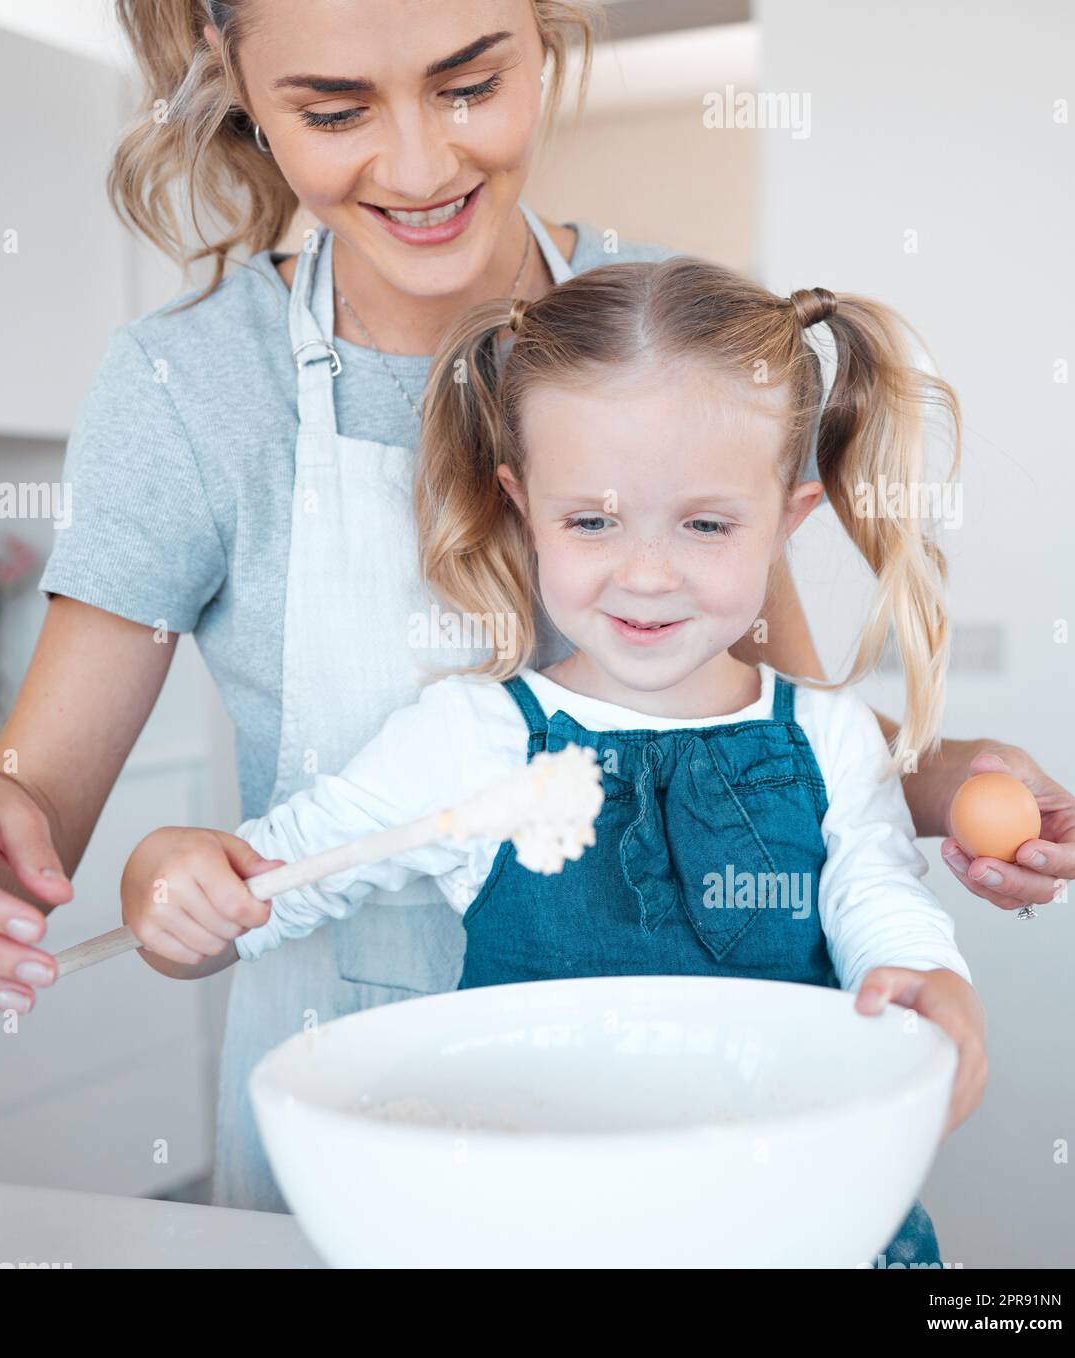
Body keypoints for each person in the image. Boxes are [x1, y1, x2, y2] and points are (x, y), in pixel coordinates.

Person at [0, 0, 1075, 1215]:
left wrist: (952, 779)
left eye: (469, 83)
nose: (417, 163)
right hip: (364, 1126)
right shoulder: (188, 383)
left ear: (545, 30)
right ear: (230, 72)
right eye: (333, 107)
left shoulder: (661, 329)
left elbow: (772, 731)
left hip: (705, 1135)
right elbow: (42, 798)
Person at [121, 254, 986, 1265]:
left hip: (798, 1225)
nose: (647, 571)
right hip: (537, 1231)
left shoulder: (832, 738)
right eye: (592, 521)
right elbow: (259, 893)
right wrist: (171, 885)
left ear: (785, 522)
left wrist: (925, 975)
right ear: (522, 505)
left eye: (706, 523)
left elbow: (880, 898)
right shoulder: (470, 742)